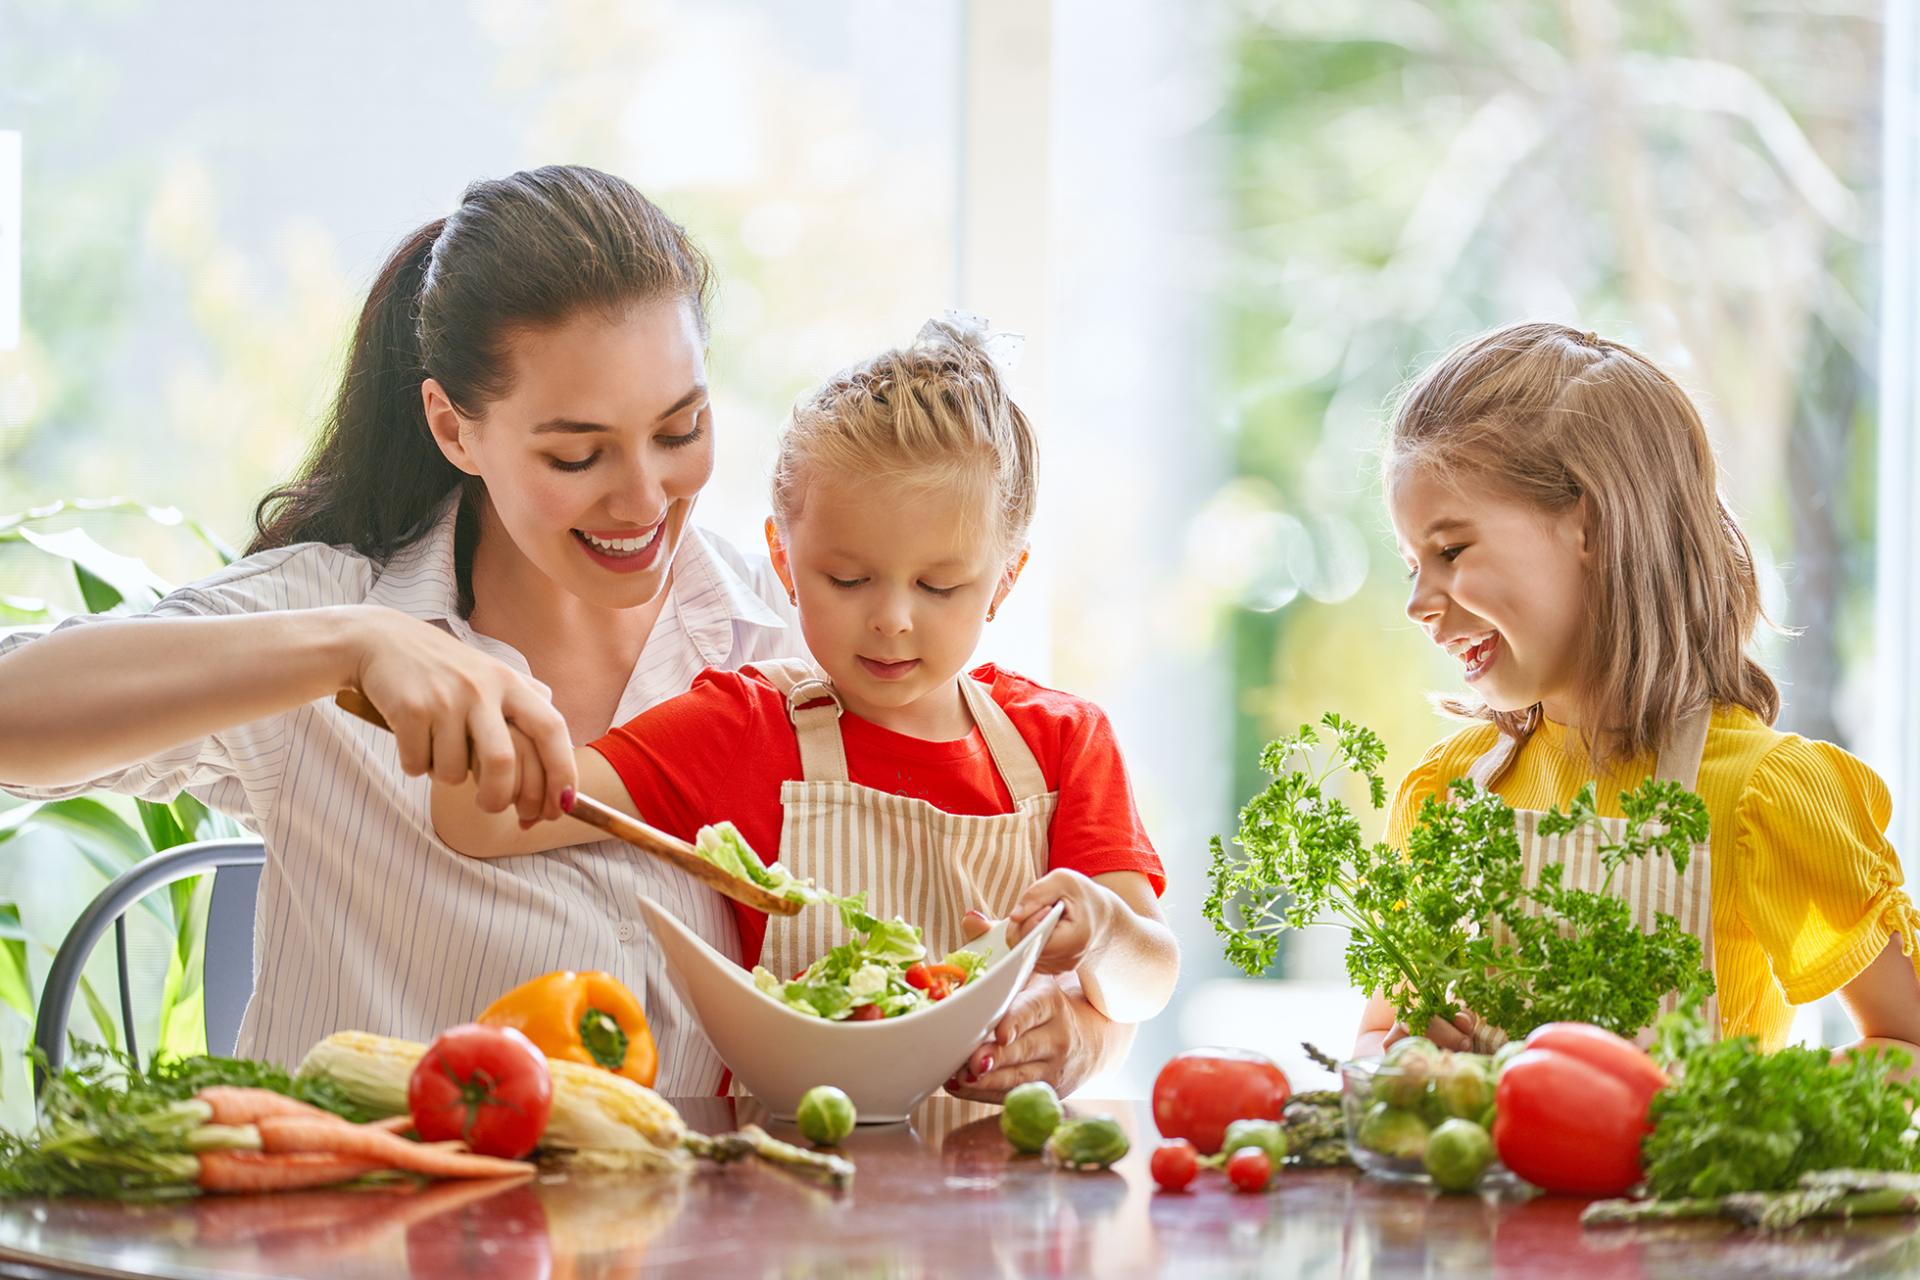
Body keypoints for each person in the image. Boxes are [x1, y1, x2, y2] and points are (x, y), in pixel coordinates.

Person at [0, 166, 802, 1088]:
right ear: (454, 430)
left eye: (679, 431)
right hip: (364, 1225)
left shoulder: (779, 639)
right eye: (577, 454)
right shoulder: (340, 621)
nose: (642, 498)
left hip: (701, 1228)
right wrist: (349, 645)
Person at [431, 317, 1178, 1100]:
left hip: (1006, 1207)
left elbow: (1146, 984)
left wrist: (1102, 935)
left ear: (1005, 579)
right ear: (784, 560)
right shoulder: (740, 726)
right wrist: (476, 700)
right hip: (789, 1192)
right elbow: (477, 820)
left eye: (938, 586)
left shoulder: (1063, 741)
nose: (891, 618)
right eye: (848, 580)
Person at [1356, 321, 1920, 1071]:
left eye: (1451, 550)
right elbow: (1372, 1037)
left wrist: (1757, 1107)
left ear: (1590, 524)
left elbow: (1905, 1044)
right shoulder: (1447, 791)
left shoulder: (1763, 795)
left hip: (1686, 1192)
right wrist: (1404, 1049)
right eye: (1410, 564)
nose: (1419, 603)